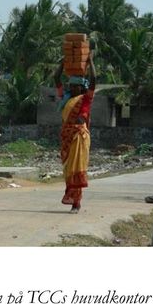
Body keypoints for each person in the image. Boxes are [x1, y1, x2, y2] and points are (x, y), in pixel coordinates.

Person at [55, 55, 97, 212]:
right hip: (66, 136)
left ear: (82, 88)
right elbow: (56, 78)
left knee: (77, 169)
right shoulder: (64, 98)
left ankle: (76, 202)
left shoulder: (86, 98)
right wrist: (63, 63)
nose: (73, 89)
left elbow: (94, 80)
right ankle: (71, 195)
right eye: (71, 86)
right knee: (68, 170)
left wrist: (90, 62)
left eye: (76, 87)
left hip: (80, 136)